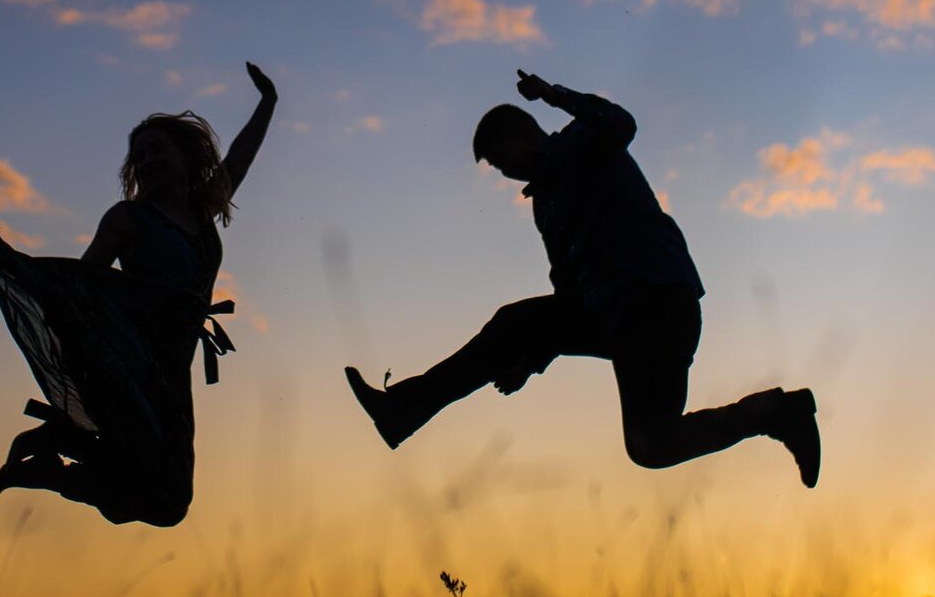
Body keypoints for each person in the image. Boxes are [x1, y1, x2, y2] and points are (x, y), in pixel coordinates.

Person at [345, 69, 818, 485]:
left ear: (525, 133)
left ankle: (402, 409)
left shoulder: (583, 141)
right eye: (493, 165)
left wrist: (554, 94)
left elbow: (623, 123)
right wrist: (529, 359)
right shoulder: (544, 206)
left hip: (658, 304)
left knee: (642, 436)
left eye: (499, 155)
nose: (502, 169)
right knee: (647, 444)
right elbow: (566, 296)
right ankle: (778, 413)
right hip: (616, 318)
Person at [0, 63, 277, 526]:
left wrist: (268, 102)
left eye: (157, 150)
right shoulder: (128, 219)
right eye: (139, 156)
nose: (147, 162)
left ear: (186, 156)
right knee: (158, 494)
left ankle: (49, 459)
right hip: (129, 361)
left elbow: (242, 154)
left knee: (166, 501)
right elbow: (82, 285)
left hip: (173, 367)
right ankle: (52, 457)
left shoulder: (203, 209)